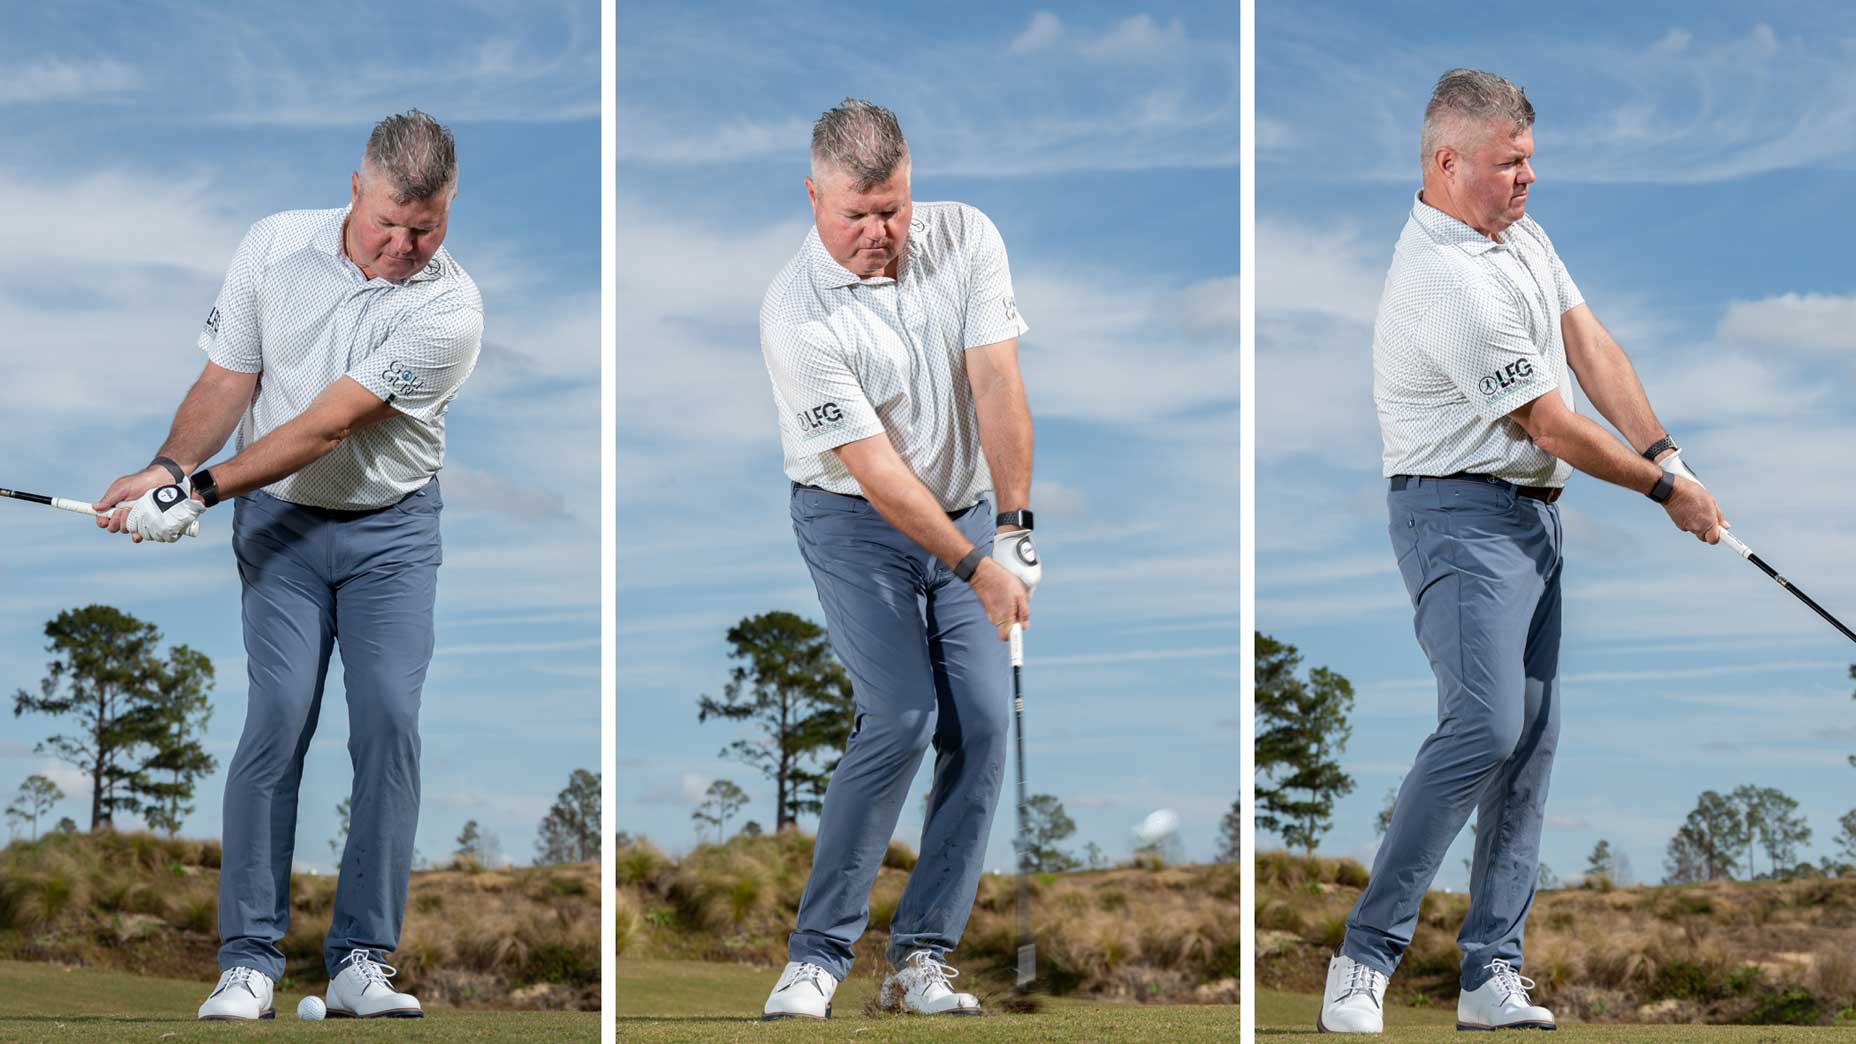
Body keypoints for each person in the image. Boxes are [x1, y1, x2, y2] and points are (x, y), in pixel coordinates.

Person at [1318, 69, 1726, 1034]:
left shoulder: (1522, 240)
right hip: (1455, 516)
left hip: (1533, 522)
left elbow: (1592, 350)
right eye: (1510, 163)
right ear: (1447, 162)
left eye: (1531, 160)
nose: (1528, 178)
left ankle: (1490, 974)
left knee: (1531, 744)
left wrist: (1667, 450)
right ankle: (1362, 961)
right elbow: (1547, 419)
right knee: (1485, 725)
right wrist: (1666, 493)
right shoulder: (1443, 277)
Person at [94, 110, 483, 1021]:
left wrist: (196, 491)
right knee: (277, 719)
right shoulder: (274, 245)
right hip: (282, 530)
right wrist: (163, 469)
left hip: (392, 532)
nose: (403, 244)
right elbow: (230, 379)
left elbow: (327, 425)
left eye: (426, 228)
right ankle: (248, 963)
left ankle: (360, 962)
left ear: (449, 211)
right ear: (356, 188)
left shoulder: (450, 308)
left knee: (388, 722)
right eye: (390, 221)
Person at [755, 98, 1041, 1021]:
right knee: (901, 713)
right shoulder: (796, 315)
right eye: (856, 214)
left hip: (962, 514)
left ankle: (922, 958)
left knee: (985, 726)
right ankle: (817, 955)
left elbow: (996, 381)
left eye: (894, 208)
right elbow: (876, 473)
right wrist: (977, 566)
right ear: (812, 198)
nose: (880, 232)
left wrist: (1015, 526)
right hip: (853, 522)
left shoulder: (966, 238)